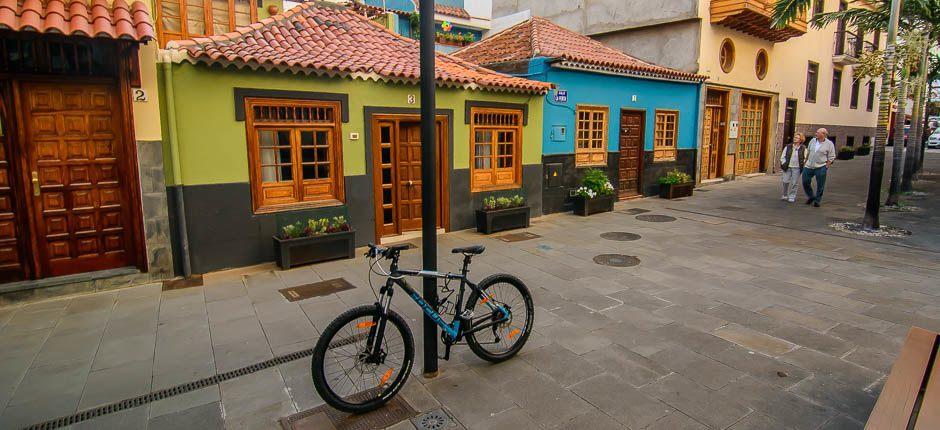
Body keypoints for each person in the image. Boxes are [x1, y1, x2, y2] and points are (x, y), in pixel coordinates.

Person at [802, 128, 836, 207]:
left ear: (823, 134)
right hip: (809, 165)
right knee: (805, 181)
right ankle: (811, 196)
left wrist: (827, 165)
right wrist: (805, 162)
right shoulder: (812, 141)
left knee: (820, 184)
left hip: (821, 166)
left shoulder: (829, 144)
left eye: (818, 132)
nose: (816, 133)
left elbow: (832, 156)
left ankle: (817, 200)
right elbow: (809, 152)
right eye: (816, 132)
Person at [779, 133, 806, 202]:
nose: (795, 139)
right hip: (787, 166)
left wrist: (803, 164)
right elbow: (783, 156)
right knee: (785, 181)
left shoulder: (803, 148)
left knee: (794, 183)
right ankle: (785, 195)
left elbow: (805, 158)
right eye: (794, 137)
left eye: (797, 138)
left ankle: (792, 196)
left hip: (797, 168)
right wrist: (783, 162)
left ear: (800, 140)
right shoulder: (788, 146)